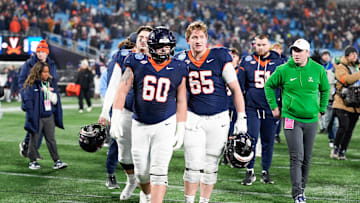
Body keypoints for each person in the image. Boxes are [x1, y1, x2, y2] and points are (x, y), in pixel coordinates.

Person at [111, 26, 188, 202]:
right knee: (142, 174)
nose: (165, 50)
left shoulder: (179, 66)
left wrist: (181, 127)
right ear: (152, 46)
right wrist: (115, 118)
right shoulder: (136, 61)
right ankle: (145, 193)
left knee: (159, 171)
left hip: (165, 124)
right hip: (139, 124)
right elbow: (122, 91)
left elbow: (182, 100)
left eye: (168, 46)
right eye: (161, 46)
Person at [176, 21, 246, 203]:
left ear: (206, 39)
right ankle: (189, 201)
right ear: (187, 40)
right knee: (192, 165)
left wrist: (242, 117)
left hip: (219, 118)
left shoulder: (219, 55)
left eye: (201, 37)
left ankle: (204, 201)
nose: (198, 41)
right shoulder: (180, 60)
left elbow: (236, 89)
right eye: (194, 37)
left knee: (210, 165)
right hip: (193, 117)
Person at [265, 38, 330, 203]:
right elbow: (269, 85)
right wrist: (274, 107)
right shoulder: (283, 69)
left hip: (311, 119)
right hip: (291, 118)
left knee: (307, 157)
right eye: (294, 50)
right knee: (296, 156)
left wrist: (322, 109)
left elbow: (325, 89)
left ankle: (302, 188)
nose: (296, 54)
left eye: (300, 51)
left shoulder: (318, 69)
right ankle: (297, 194)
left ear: (307, 52)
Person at [98, 26, 152, 200]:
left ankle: (146, 193)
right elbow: (113, 85)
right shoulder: (123, 56)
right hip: (126, 110)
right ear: (136, 39)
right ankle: (131, 181)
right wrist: (106, 111)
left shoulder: (158, 58)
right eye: (141, 36)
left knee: (145, 154)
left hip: (148, 114)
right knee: (123, 154)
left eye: (148, 37)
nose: (144, 39)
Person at [238, 34, 284, 186]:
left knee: (268, 141)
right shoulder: (247, 61)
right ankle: (249, 171)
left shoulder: (279, 62)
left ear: (269, 45)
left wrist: (281, 106)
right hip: (252, 108)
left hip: (272, 109)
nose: (260, 47)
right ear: (254, 45)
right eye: (258, 44)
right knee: (250, 140)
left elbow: (284, 86)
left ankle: (265, 171)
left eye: (263, 44)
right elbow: (240, 86)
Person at [22, 61, 67, 170]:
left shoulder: (50, 83)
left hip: (48, 115)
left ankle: (57, 161)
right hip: (37, 116)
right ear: (38, 72)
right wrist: (32, 116)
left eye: (48, 72)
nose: (46, 74)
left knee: (51, 139)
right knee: (34, 139)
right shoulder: (31, 85)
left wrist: (53, 97)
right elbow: (27, 102)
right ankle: (32, 161)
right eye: (44, 72)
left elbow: (56, 99)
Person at [18, 39, 58, 159]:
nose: (40, 54)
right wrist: (26, 98)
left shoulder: (51, 64)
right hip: (33, 99)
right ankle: (31, 152)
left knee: (40, 127)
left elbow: (54, 80)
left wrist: (53, 95)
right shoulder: (29, 64)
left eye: (42, 51)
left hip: (46, 99)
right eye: (38, 51)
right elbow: (22, 82)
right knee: (35, 126)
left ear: (47, 53)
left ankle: (28, 147)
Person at [331, 46, 360, 160]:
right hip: (342, 102)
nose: (355, 56)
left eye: (356, 54)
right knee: (343, 126)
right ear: (347, 56)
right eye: (352, 54)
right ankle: (336, 148)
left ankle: (343, 151)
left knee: (350, 129)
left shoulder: (357, 67)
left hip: (356, 103)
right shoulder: (340, 67)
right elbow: (346, 80)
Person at [320, 50, 338, 148]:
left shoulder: (334, 67)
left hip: (334, 96)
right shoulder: (320, 67)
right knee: (327, 118)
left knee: (335, 120)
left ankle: (334, 138)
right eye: (324, 55)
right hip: (324, 95)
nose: (326, 57)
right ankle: (329, 134)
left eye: (327, 55)